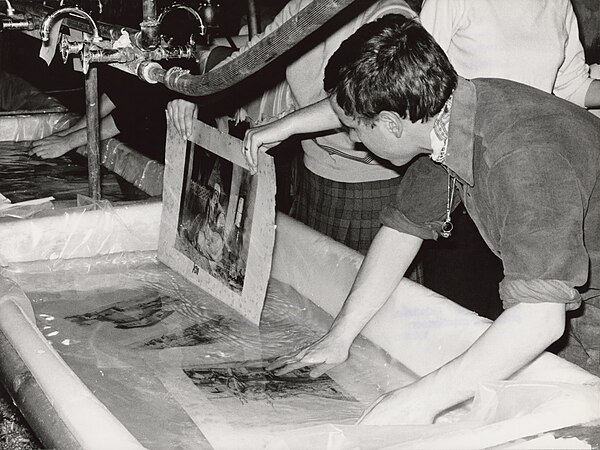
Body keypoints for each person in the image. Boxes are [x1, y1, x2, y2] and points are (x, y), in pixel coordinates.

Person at [243, 15, 600, 424]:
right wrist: (339, 336)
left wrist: (417, 400)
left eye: (357, 129)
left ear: (392, 124)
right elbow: (401, 231)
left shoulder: (520, 157)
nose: (356, 140)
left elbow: (539, 319)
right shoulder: (448, 120)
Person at [418, 0, 600, 363]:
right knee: (472, 320)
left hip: (532, 178)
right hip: (466, 175)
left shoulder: (557, 3)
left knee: (533, 318)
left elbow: (570, 86)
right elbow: (410, 82)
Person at [167, 0, 418, 255]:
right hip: (312, 176)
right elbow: (253, 55)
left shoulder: (389, 14)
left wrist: (287, 125)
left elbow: (359, 99)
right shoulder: (304, 6)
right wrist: (200, 91)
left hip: (370, 188)